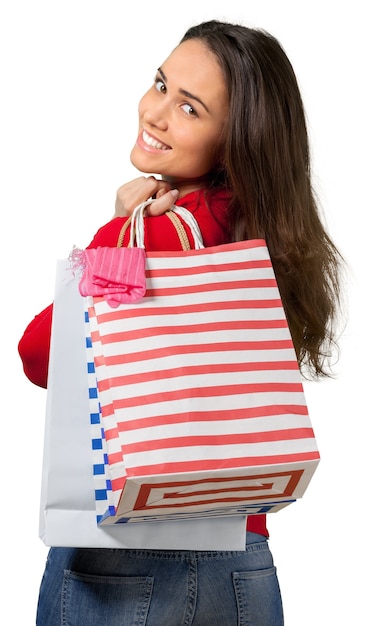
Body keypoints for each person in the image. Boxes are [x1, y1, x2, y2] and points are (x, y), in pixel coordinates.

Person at [18, 20, 342, 626]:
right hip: (245, 566)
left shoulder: (157, 231)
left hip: (126, 563)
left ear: (234, 139)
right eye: (161, 83)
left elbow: (41, 355)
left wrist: (118, 232)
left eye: (189, 108)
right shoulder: (264, 235)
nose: (157, 112)